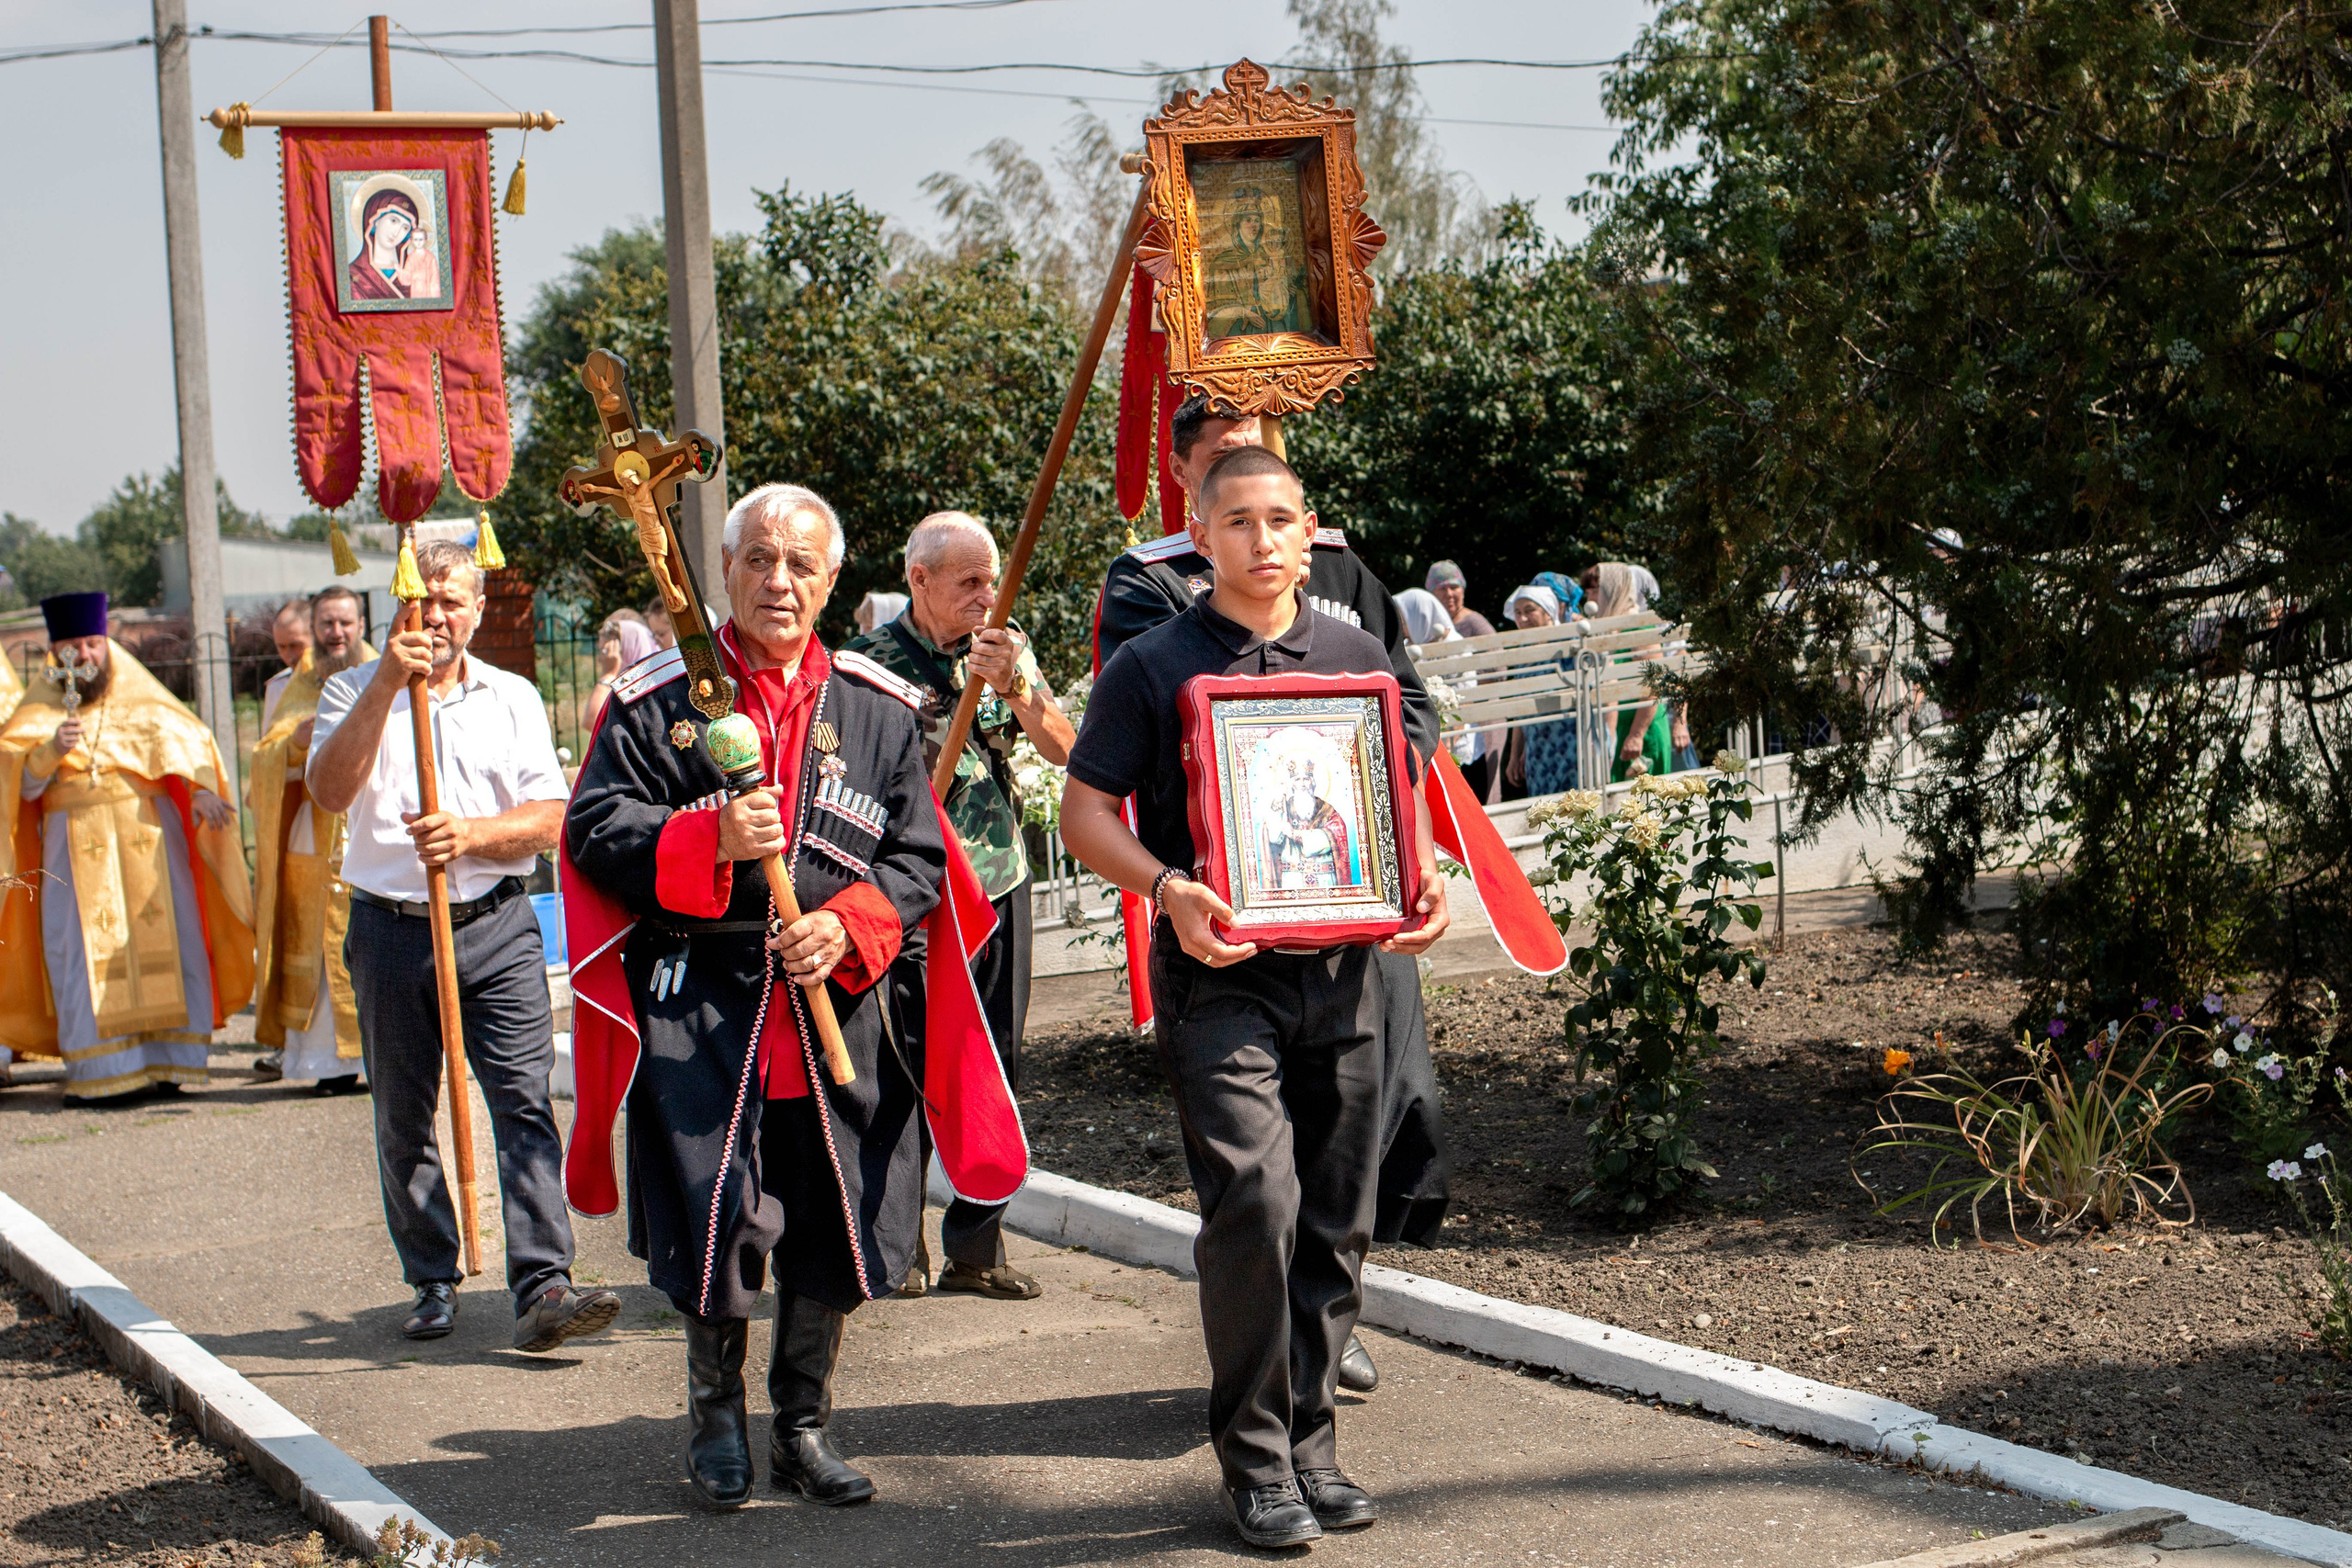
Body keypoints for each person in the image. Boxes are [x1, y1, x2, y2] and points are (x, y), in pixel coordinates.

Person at [564, 481, 1014, 1511]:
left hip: (835, 1004)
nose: (779, 580)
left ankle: (803, 1423)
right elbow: (595, 829)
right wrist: (704, 839)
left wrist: (845, 926)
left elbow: (915, 860)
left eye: (800, 564)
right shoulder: (656, 698)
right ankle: (716, 1419)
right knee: (713, 1213)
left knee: (836, 1210)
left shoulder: (877, 708)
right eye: (759, 560)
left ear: (831, 580)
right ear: (725, 570)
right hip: (703, 1004)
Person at [1061, 446, 1449, 1550]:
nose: (1262, 540)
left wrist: (1417, 881)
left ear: (1308, 526)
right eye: (1237, 521)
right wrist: (1170, 889)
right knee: (1255, 1208)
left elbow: (1394, 786)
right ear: (1200, 531)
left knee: (1336, 1218)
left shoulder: (1355, 648)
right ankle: (1256, 1461)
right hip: (1222, 980)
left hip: (1348, 975)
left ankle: (1317, 1445)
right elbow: (1083, 814)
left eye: (1280, 518)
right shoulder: (1153, 662)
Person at [307, 542, 618, 1352]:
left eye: (452, 601)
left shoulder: (511, 696)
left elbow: (554, 818)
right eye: (423, 600)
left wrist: (472, 834)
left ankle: (545, 1281)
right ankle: (432, 1275)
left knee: (523, 1100)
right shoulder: (351, 686)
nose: (436, 615)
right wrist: (384, 683)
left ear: (477, 610)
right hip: (389, 928)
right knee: (403, 1113)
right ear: (398, 607)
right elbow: (330, 791)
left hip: (495, 924)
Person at [842, 513, 1074, 1302]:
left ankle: (977, 1243)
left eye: (992, 578)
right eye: (969, 581)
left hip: (996, 879)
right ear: (919, 581)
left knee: (994, 1062)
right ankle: (893, 1245)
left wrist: (1014, 682)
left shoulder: (1004, 652)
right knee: (903, 1063)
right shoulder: (863, 666)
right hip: (909, 892)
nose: (986, 595)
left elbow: (1065, 745)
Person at [0, 593, 254, 1103]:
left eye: (91, 644)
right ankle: (102, 1071)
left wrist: (203, 790)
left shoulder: (142, 695)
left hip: (150, 842)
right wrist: (50, 751)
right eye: (70, 647)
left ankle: (168, 1062)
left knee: (173, 938)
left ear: (107, 642)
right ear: (54, 652)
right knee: (77, 951)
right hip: (69, 847)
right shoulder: (38, 709)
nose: (83, 657)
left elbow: (189, 742)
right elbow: (17, 786)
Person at [250, 586, 374, 1092]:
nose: (336, 633)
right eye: (326, 624)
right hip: (314, 834)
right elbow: (262, 757)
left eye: (345, 623)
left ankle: (372, 1058)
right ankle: (326, 1061)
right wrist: (292, 747)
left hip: (370, 826)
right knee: (321, 952)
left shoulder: (384, 674)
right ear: (315, 629)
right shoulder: (292, 685)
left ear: (361, 625)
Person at [1587, 562, 1673, 782]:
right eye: (1587, 592)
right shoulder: (1607, 629)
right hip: (1618, 732)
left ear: (1614, 590)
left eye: (1596, 591)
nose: (1590, 599)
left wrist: (1636, 735)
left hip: (1643, 733)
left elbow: (1653, 687)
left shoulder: (1639, 628)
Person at [1497, 584, 1579, 800]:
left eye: (1530, 610)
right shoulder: (1524, 657)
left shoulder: (1568, 645)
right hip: (1538, 753)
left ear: (1548, 612)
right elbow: (1521, 707)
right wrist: (1515, 755)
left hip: (1573, 748)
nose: (1523, 619)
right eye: (1518, 613)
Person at [583, 609, 660, 731]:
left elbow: (592, 723)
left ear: (628, 650)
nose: (600, 660)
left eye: (606, 652)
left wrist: (608, 674)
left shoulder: (649, 693)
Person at [259, 599, 314, 736]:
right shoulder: (277, 687)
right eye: (281, 647)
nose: (289, 656)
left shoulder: (337, 680)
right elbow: (269, 743)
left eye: (296, 645)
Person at [1422, 561, 1494, 640]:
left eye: (1454, 587)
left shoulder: (1474, 623)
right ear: (1431, 595)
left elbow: (1496, 650)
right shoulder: (1425, 626)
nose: (1449, 594)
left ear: (1462, 591)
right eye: (1442, 589)